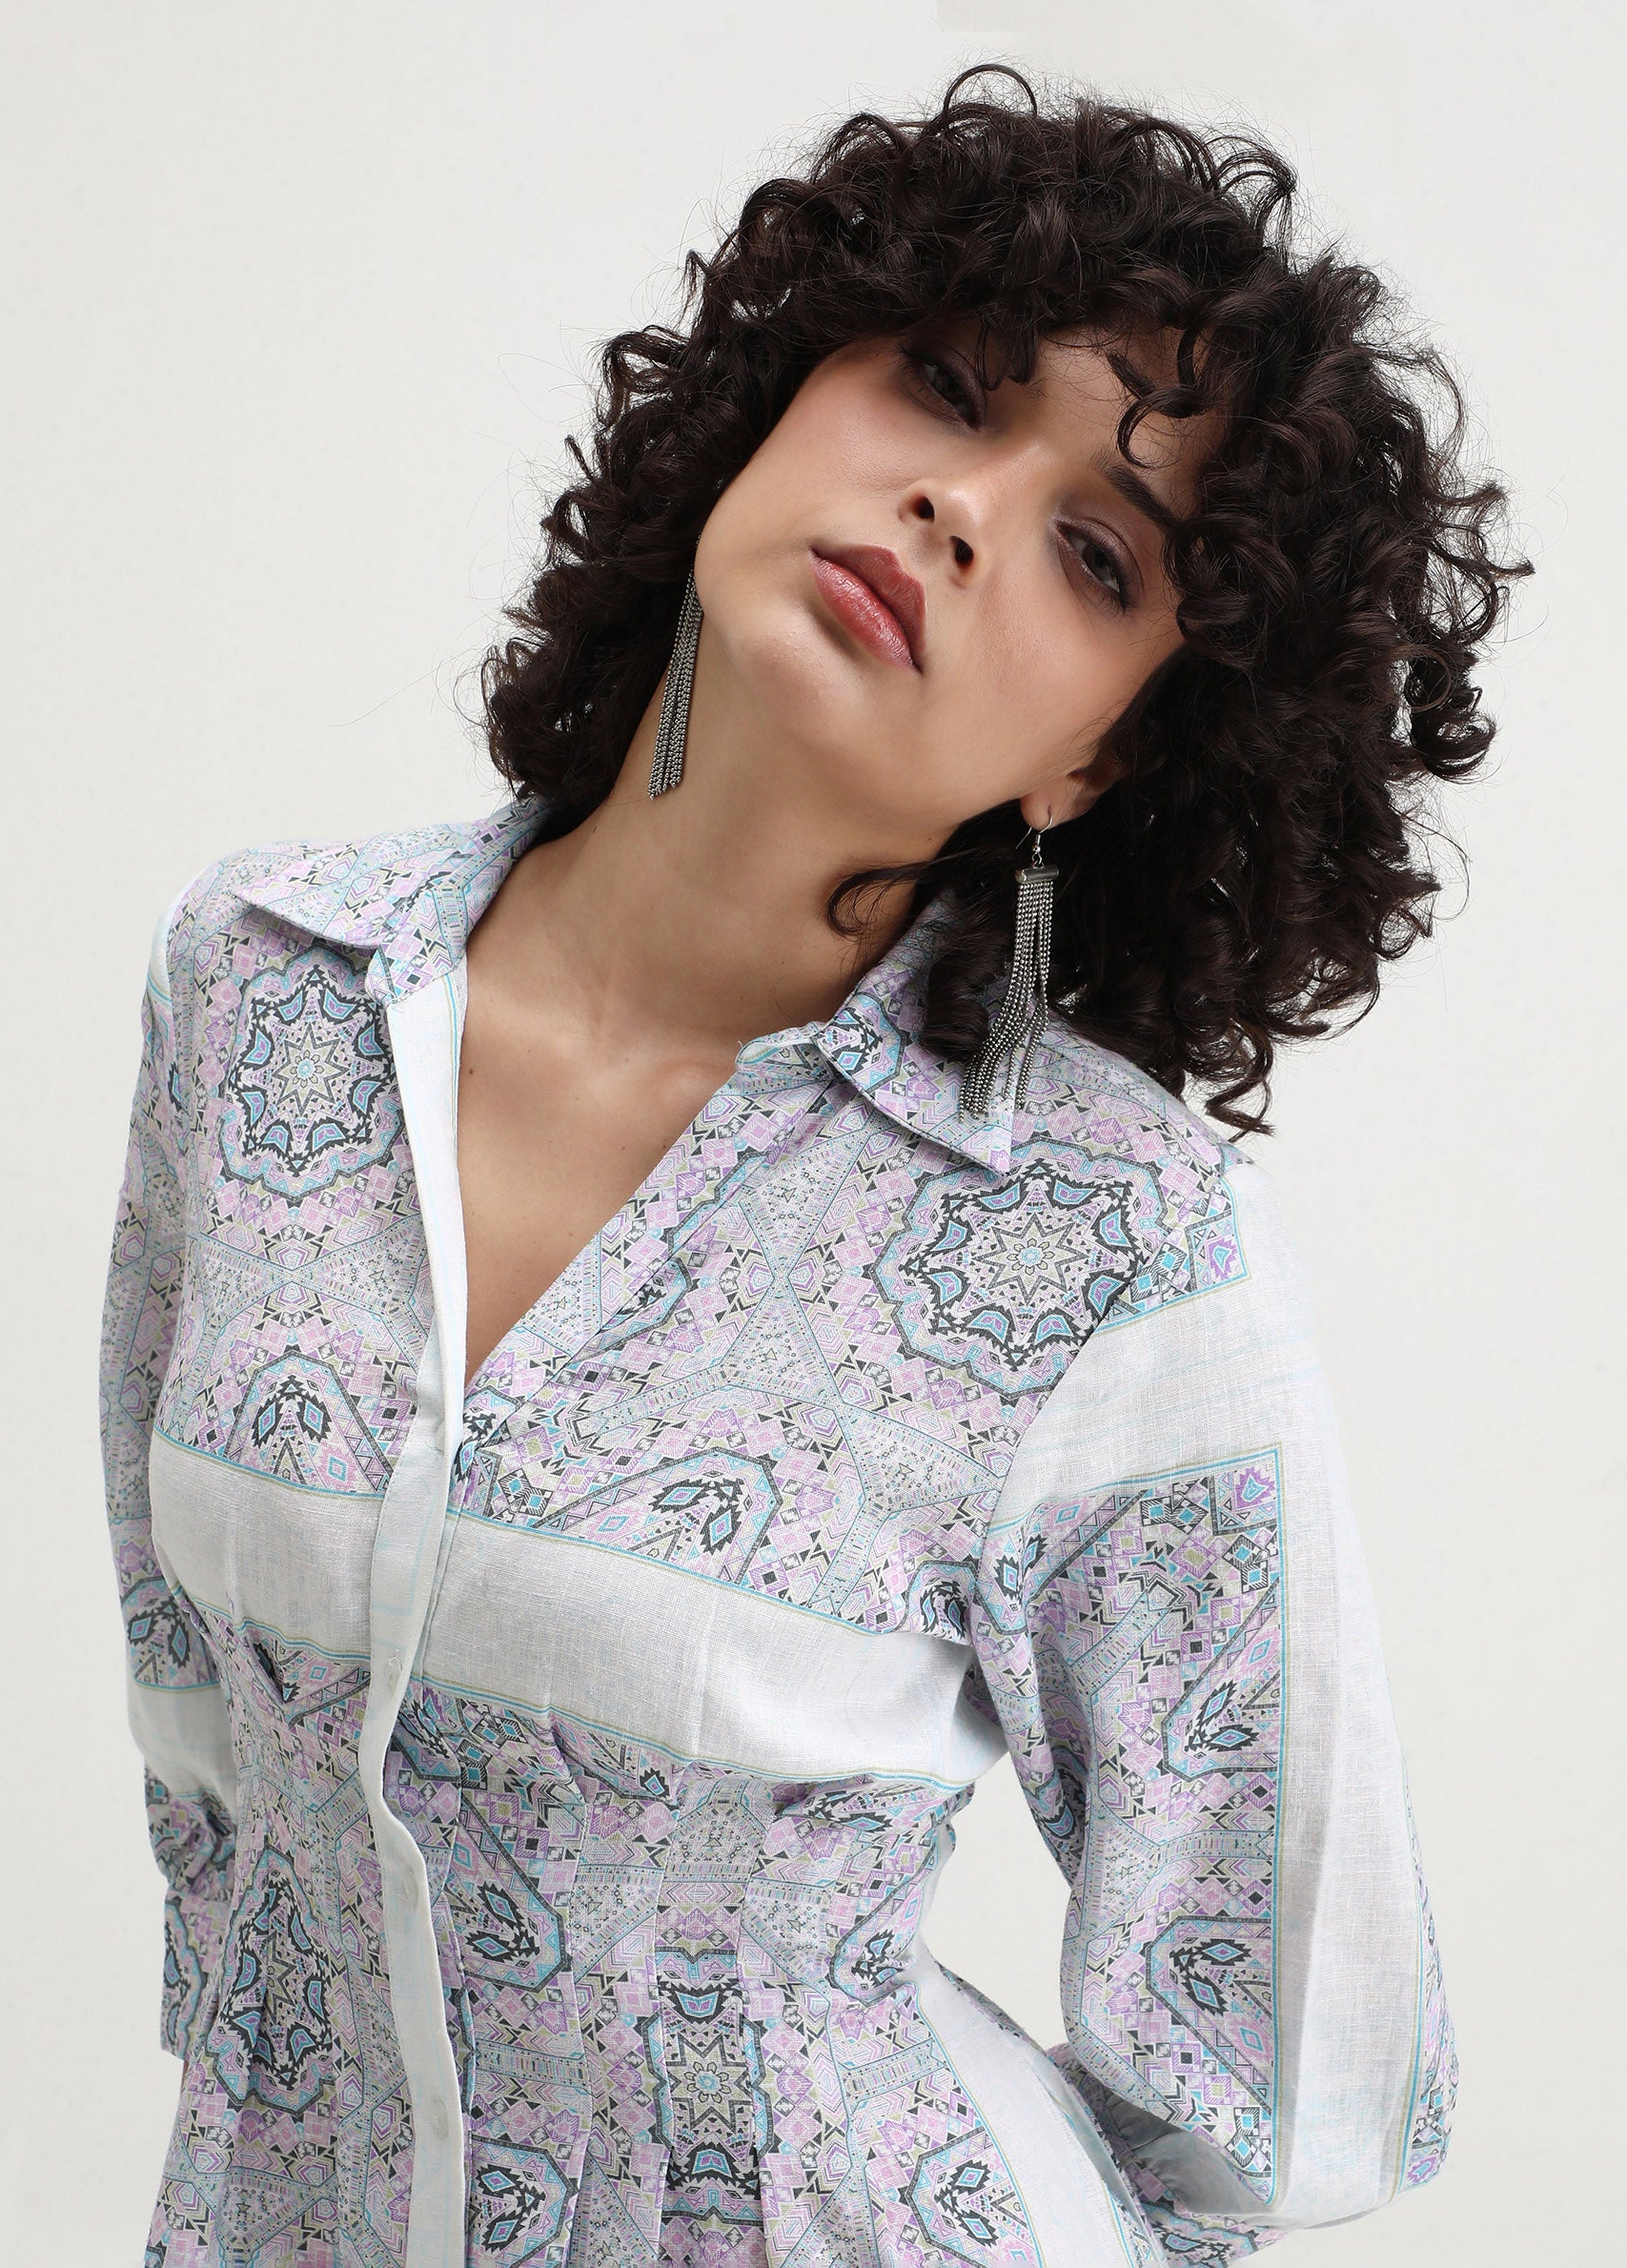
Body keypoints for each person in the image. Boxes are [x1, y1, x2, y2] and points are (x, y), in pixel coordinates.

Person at [99, 68, 1524, 2268]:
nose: (960, 504)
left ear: (1099, 759)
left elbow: (1294, 2073)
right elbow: (207, 1748)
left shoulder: (1110, 1237)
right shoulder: (263, 984)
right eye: (947, 383)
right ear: (778, 391)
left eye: (1096, 553)